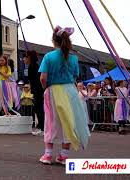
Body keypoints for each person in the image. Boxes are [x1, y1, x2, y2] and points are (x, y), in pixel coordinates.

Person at [39, 26, 90, 165]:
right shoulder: (74, 58)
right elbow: (74, 76)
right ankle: (64, 155)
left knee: (51, 121)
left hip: (54, 91)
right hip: (70, 91)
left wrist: (46, 87)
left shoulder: (49, 56)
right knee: (68, 121)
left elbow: (43, 78)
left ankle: (48, 154)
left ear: (53, 40)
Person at [23, 50, 44, 136]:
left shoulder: (34, 67)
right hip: (36, 90)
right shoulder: (32, 67)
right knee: (37, 108)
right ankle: (42, 126)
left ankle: (43, 127)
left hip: (39, 90)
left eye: (25, 58)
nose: (23, 59)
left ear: (29, 58)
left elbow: (37, 80)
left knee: (38, 108)